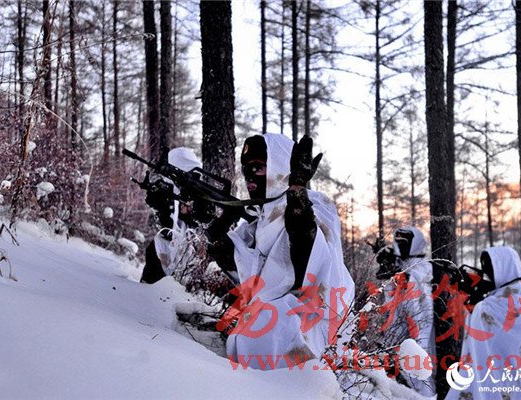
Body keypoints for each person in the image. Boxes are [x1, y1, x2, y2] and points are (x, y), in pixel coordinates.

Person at [207, 133, 355, 368]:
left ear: (281, 167)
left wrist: (297, 194)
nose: (250, 176)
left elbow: (308, 257)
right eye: (246, 169)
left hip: (307, 324)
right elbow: (243, 270)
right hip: (268, 321)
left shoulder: (316, 206)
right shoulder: (260, 219)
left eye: (259, 167)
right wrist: (214, 222)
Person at [445, 246, 521, 399]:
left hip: (511, 363)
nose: (489, 273)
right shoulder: (520, 289)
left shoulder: (518, 292)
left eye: (491, 268)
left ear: (504, 266)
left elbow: (485, 315)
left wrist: (473, 296)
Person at [377, 226, 436, 397]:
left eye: (405, 242)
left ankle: (426, 395)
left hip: (418, 321)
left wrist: (396, 271)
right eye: (399, 241)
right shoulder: (400, 264)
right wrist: (387, 263)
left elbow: (415, 285)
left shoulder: (423, 266)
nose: (401, 245)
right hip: (399, 325)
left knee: (420, 360)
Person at [140, 147, 203, 284]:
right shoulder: (168, 189)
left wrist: (188, 213)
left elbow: (198, 224)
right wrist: (152, 192)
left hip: (186, 253)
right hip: (163, 246)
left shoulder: (197, 194)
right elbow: (160, 209)